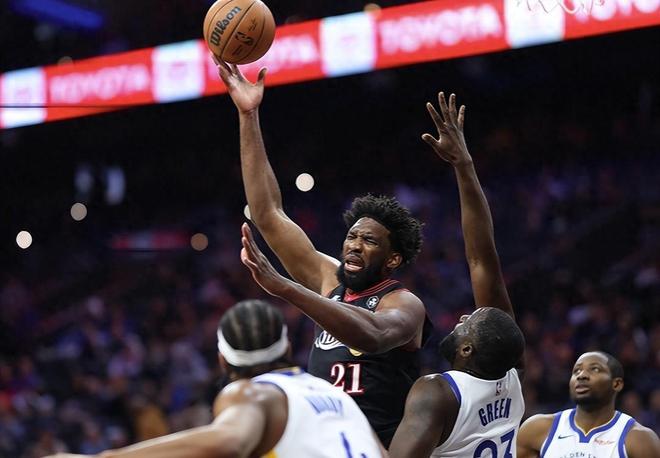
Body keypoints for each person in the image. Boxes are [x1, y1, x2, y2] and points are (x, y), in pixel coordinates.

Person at [217, 60, 431, 446]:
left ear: (393, 259)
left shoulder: (403, 304)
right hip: (322, 443)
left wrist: (287, 288)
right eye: (352, 236)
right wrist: (248, 115)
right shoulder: (328, 279)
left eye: (369, 241)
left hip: (375, 448)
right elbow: (268, 214)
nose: (354, 245)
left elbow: (373, 336)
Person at [44, 300, 387, 458]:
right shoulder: (333, 392)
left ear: (223, 360)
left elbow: (229, 441)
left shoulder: (252, 392)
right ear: (287, 347)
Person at [387, 92, 526, 458]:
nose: (463, 317)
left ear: (467, 350)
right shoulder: (510, 375)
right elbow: (482, 259)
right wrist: (464, 165)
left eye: (468, 324)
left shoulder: (437, 393)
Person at [517, 351, 660, 457]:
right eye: (576, 371)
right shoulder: (537, 429)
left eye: (595, 369)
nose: (582, 375)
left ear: (616, 384)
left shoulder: (640, 440)